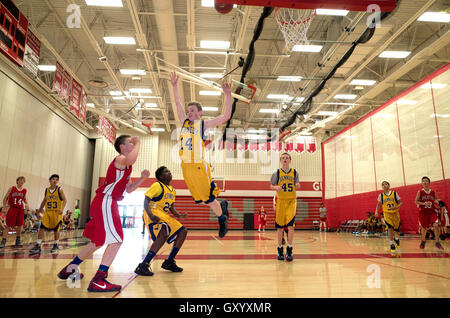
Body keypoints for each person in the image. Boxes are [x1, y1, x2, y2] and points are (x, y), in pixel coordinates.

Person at [56, 135, 149, 293]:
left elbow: (129, 189)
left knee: (96, 241)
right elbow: (131, 159)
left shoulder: (125, 166)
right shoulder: (120, 159)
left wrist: (142, 178)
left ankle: (70, 268)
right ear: (122, 147)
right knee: (117, 240)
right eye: (130, 143)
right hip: (106, 200)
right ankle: (98, 280)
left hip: (103, 201)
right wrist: (139, 142)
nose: (133, 145)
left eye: (134, 143)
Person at [169, 72, 231, 238]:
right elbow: (177, 103)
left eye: (192, 110)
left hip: (198, 165)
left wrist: (228, 95)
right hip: (185, 166)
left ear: (200, 112)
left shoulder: (204, 125)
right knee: (203, 199)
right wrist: (175, 86)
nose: (189, 112)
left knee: (209, 199)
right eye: (188, 110)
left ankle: (222, 218)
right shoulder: (184, 122)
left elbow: (226, 116)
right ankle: (222, 207)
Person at [134, 166, 188, 276]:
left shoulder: (172, 190)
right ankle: (143, 264)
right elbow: (146, 200)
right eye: (166, 172)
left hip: (165, 215)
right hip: (154, 212)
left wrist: (179, 215)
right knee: (163, 233)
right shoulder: (157, 185)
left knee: (183, 231)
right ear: (160, 176)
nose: (169, 173)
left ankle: (169, 261)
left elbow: (171, 207)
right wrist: (150, 215)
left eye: (169, 171)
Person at [270, 153, 300, 261]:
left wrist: (297, 185)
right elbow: (271, 186)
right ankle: (279, 249)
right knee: (280, 228)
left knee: (291, 226)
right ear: (280, 161)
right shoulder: (276, 173)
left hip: (291, 201)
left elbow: (298, 184)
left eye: (287, 158)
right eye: (283, 158)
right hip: (281, 202)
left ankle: (290, 249)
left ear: (290, 160)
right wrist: (276, 187)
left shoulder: (295, 172)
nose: (285, 159)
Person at [29, 174, 67, 254]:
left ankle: (56, 244)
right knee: (42, 227)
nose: (55, 181)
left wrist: (62, 209)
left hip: (56, 213)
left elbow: (65, 200)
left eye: (56, 179)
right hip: (47, 212)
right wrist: (38, 211)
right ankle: (38, 245)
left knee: (56, 230)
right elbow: (44, 201)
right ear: (50, 180)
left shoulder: (59, 189)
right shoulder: (46, 190)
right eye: (53, 179)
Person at [414, 176, 444, 250]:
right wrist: (424, 204)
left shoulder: (433, 192)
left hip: (432, 211)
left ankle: (437, 242)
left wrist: (437, 201)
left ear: (429, 182)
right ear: (422, 183)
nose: (425, 182)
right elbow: (416, 201)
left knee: (436, 225)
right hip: (423, 212)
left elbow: (436, 199)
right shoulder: (420, 192)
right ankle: (423, 241)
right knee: (424, 228)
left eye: (426, 180)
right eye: (423, 181)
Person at [0, 177, 29, 248]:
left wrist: (27, 204)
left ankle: (18, 240)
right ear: (17, 181)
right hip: (12, 208)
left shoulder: (24, 190)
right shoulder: (12, 188)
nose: (22, 181)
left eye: (23, 180)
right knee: (8, 225)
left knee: (20, 225)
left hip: (20, 209)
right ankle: (3, 241)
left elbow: (24, 199)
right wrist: (4, 206)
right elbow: (5, 198)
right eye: (20, 180)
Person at [374, 181, 403, 253]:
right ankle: (391, 244)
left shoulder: (394, 193)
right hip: (387, 214)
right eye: (382, 185)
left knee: (397, 230)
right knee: (390, 228)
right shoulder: (381, 195)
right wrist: (376, 211)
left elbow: (401, 202)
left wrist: (397, 206)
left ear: (389, 185)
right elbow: (378, 205)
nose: (384, 185)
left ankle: (396, 239)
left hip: (395, 213)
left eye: (386, 184)